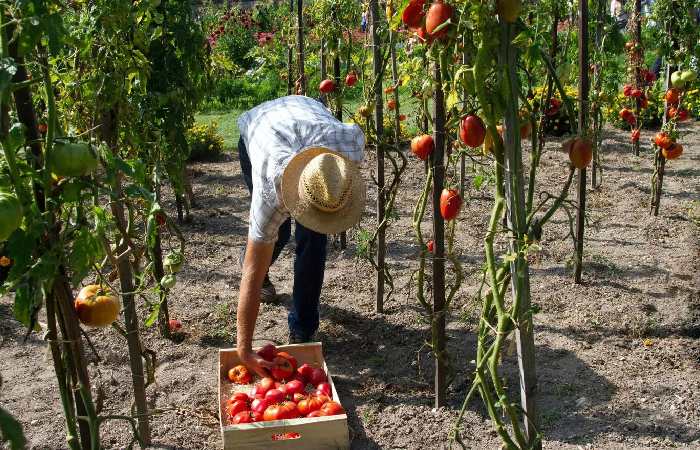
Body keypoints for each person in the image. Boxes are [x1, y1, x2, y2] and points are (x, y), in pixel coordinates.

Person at [235, 95, 366, 376]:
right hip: (259, 128)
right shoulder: (271, 190)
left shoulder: (346, 152)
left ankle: (303, 329)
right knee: (275, 235)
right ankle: (270, 277)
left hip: (305, 111)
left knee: (314, 242)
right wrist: (244, 349)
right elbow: (250, 270)